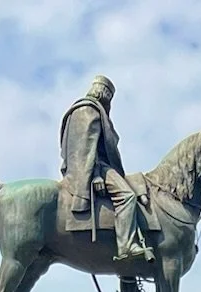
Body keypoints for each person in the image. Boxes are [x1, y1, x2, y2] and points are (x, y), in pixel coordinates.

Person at [58, 75, 155, 266]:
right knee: (127, 196)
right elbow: (86, 146)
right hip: (96, 167)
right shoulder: (89, 110)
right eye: (108, 95)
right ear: (104, 93)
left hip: (96, 165)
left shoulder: (84, 110)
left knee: (135, 182)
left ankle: (128, 278)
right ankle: (126, 246)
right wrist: (94, 175)